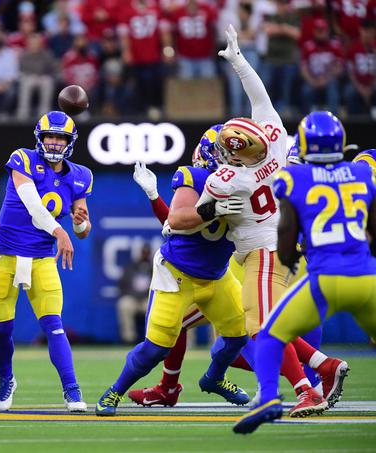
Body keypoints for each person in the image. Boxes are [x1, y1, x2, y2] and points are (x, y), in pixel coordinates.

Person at [193, 25, 346, 417]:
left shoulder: (227, 178)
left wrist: (210, 209)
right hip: (283, 244)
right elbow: (258, 97)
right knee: (266, 324)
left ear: (232, 153)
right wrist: (240, 61)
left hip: (261, 254)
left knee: (261, 329)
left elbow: (202, 213)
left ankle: (305, 390)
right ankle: (323, 367)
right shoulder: (277, 140)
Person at [233, 111, 376, 434]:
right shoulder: (360, 172)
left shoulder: (292, 178)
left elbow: (285, 233)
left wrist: (291, 257)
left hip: (324, 278)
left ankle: (269, 397)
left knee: (270, 334)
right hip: (365, 276)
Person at [95, 130, 251, 416]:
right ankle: (115, 391)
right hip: (178, 275)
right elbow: (177, 219)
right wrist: (214, 208)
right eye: (229, 153)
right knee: (155, 349)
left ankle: (214, 377)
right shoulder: (194, 176)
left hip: (217, 276)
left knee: (239, 335)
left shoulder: (249, 184)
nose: (236, 160)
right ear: (212, 154)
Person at [0, 110, 92, 412]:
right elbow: (32, 204)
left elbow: (84, 230)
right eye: (50, 136)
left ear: (70, 141)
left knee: (54, 326)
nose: (55, 142)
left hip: (41, 259)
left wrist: (78, 223)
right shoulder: (22, 158)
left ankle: (72, 390)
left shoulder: (80, 175)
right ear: (39, 137)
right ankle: (6, 378)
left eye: (60, 137)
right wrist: (60, 230)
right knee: (0, 329)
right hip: (5, 254)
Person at [116, 243, 153, 344]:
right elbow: (122, 285)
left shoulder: (154, 267)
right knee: (124, 304)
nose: (145, 255)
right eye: (143, 253)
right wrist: (133, 295)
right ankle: (128, 339)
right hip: (132, 298)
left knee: (154, 307)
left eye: (147, 253)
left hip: (147, 299)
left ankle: (153, 340)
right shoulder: (130, 267)